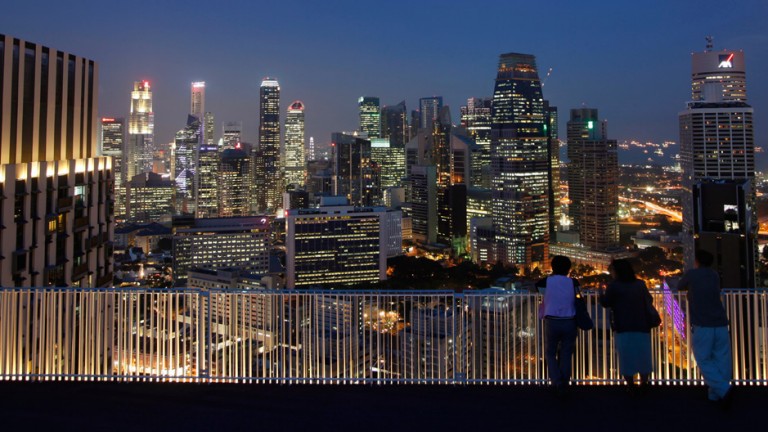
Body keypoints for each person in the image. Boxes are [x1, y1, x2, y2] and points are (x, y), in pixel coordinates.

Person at [677, 250, 732, 403]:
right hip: (720, 322)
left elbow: (680, 285)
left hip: (703, 324)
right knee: (721, 357)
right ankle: (716, 394)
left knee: (702, 358)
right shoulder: (714, 275)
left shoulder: (692, 274)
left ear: (697, 261)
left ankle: (723, 389)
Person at [598, 259, 654, 392]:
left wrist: (600, 292)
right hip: (642, 324)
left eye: (611, 270)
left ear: (616, 271)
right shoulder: (640, 284)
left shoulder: (614, 286)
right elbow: (649, 299)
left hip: (623, 324)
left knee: (626, 355)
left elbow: (606, 303)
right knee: (643, 354)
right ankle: (644, 383)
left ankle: (630, 385)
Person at [536, 255, 579, 395]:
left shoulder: (545, 282)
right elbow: (577, 297)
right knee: (566, 353)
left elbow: (539, 289)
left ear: (553, 267)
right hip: (570, 320)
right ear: (568, 269)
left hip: (552, 320)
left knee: (550, 352)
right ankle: (565, 382)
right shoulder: (573, 282)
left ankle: (557, 381)